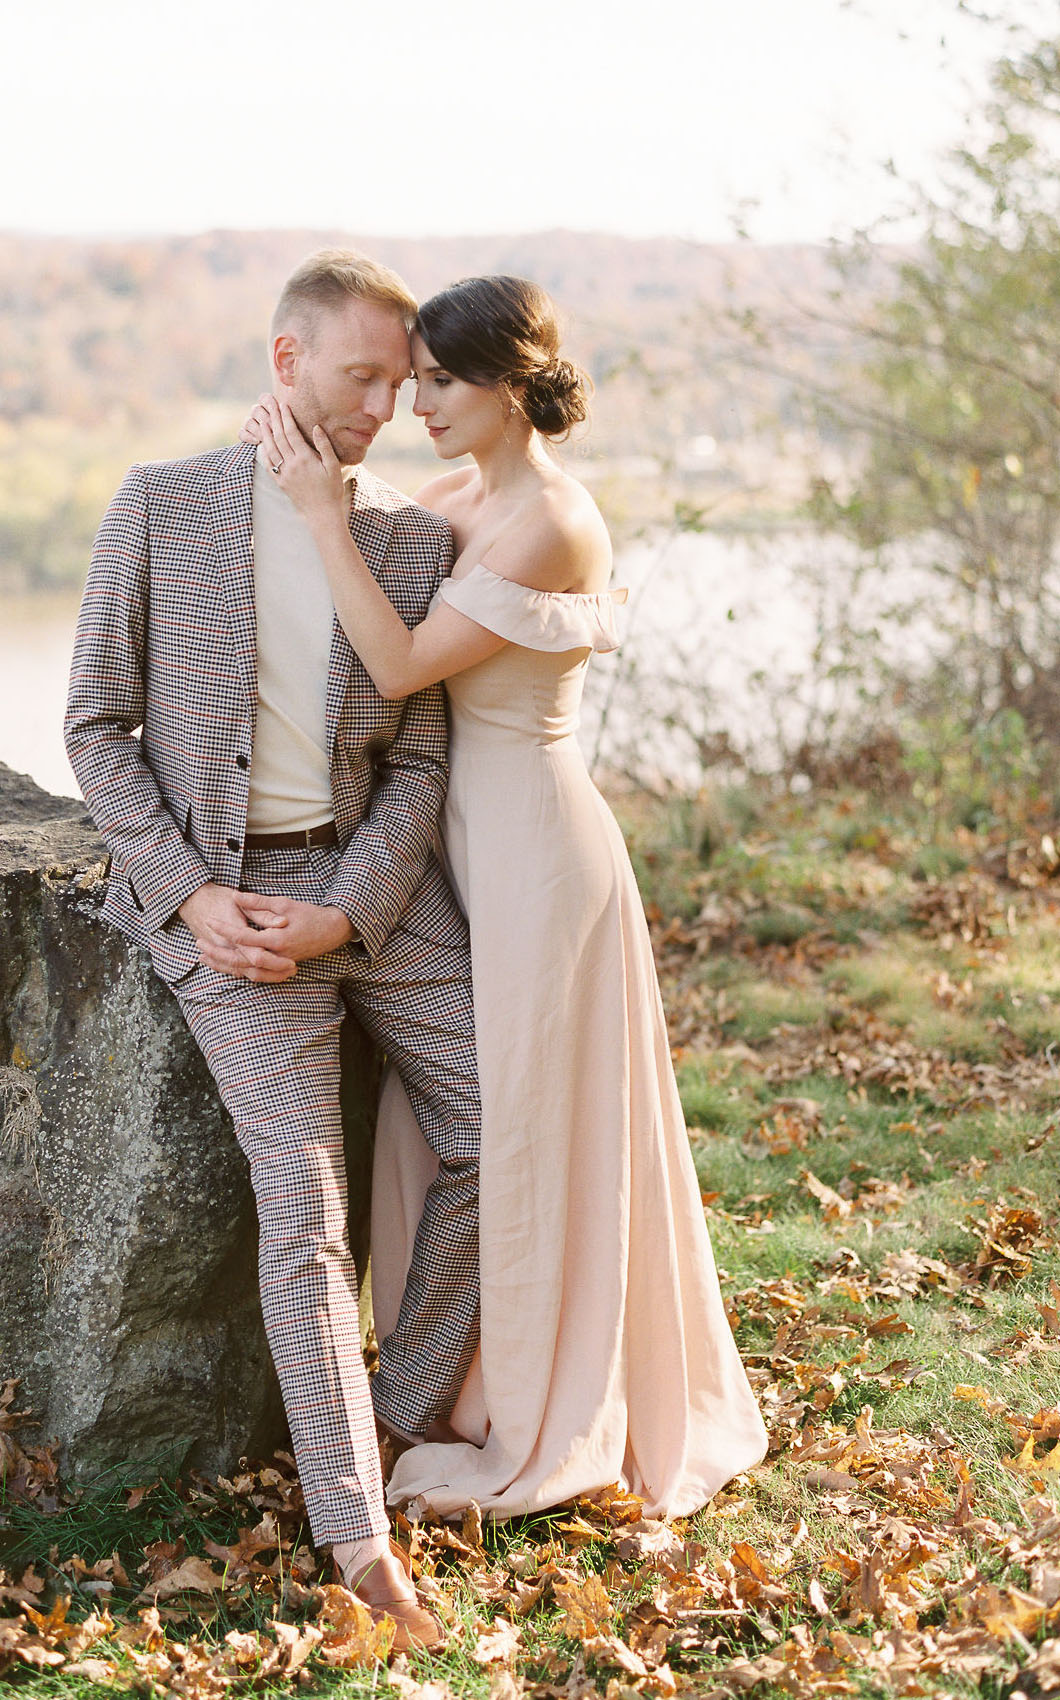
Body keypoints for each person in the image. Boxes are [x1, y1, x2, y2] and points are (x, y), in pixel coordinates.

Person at [242, 273, 768, 1522]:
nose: (414, 404)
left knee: (528, 1114)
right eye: (401, 379)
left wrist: (319, 512)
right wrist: (299, 455)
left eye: (436, 380)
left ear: (507, 385)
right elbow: (347, 551)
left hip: (532, 845)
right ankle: (462, 1378)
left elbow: (397, 660)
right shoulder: (456, 497)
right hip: (447, 841)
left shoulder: (555, 521)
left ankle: (546, 1397)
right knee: (454, 1115)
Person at [64, 250, 486, 1651]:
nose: (384, 406)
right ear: (286, 361)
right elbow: (94, 727)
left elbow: (418, 759)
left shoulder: (408, 537)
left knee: (507, 1125)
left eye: (399, 382)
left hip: (373, 899)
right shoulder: (162, 502)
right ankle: (359, 1539)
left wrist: (353, 909)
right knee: (305, 1212)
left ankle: (395, 1411)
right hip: (233, 911)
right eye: (361, 376)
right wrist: (189, 894)